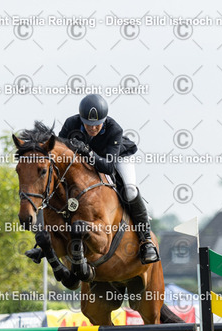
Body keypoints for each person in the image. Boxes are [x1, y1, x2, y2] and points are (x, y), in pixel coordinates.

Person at [59, 94, 159, 264]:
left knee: (129, 190)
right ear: (81, 119)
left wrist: (88, 152)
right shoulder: (71, 124)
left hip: (117, 158)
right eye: (88, 124)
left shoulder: (114, 129)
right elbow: (59, 151)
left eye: (97, 125)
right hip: (85, 161)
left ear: (104, 120)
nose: (92, 128)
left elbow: (108, 167)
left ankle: (146, 240)